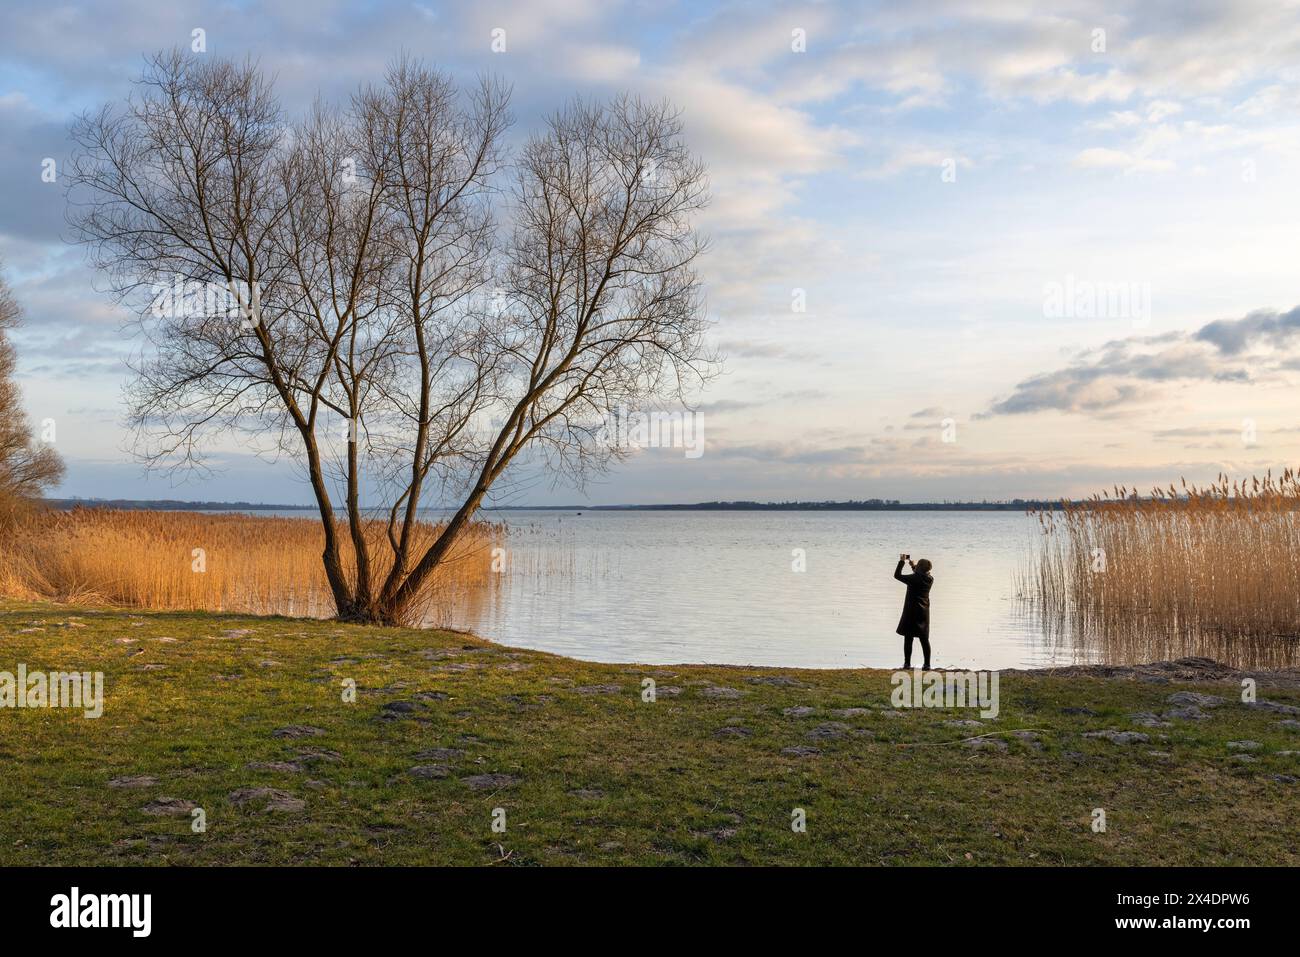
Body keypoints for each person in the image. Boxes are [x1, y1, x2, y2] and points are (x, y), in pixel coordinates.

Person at [893, 554, 934, 670]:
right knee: (924, 639)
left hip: (911, 612)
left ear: (919, 568)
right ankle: (927, 665)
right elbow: (920, 574)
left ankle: (907, 664)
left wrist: (902, 561)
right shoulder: (930, 579)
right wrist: (913, 566)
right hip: (923, 613)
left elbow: (897, 575)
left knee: (908, 638)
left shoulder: (913, 579)